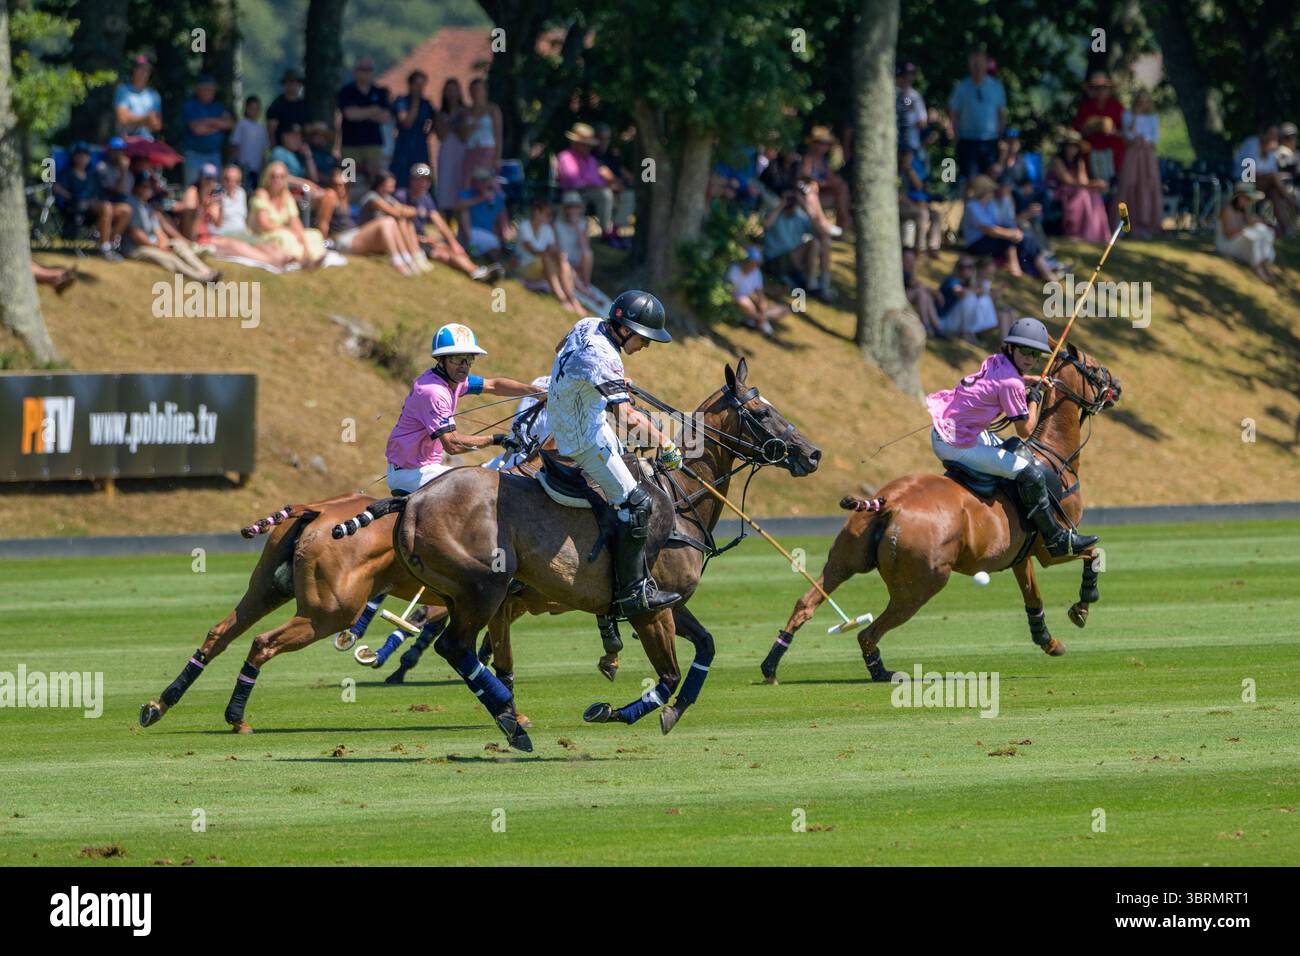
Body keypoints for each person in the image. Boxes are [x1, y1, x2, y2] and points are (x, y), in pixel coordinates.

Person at [548, 291, 683, 617]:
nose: (647, 346)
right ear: (625, 329)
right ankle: (632, 592)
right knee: (637, 503)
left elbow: (560, 350)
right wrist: (666, 442)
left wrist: (607, 380)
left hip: (573, 415)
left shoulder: (588, 323)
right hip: (583, 437)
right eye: (645, 338)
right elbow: (626, 416)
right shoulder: (606, 358)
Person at [927, 317, 1099, 556]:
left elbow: (1009, 381)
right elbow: (1026, 430)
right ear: (1011, 348)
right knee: (1031, 473)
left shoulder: (998, 362)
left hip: (948, 431)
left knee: (1013, 448)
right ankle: (1056, 539)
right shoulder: (1011, 384)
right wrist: (1034, 399)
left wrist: (1031, 381)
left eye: (1035, 355)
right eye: (1025, 352)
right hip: (957, 444)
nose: (1030, 359)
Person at [384, 323, 537, 494]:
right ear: (441, 360)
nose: (464, 365)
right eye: (457, 358)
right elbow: (453, 445)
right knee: (478, 488)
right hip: (410, 474)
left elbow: (494, 385)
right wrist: (496, 439)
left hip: (424, 468)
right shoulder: (433, 392)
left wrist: (538, 393)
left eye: (469, 358)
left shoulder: (455, 381)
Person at [397, 164, 499, 281]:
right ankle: (476, 271)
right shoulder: (401, 196)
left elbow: (439, 222)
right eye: (419, 179)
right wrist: (421, 239)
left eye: (427, 180)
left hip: (423, 240)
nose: (423, 184)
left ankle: (477, 271)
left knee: (451, 250)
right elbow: (399, 226)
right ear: (411, 180)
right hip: (408, 241)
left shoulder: (426, 198)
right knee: (443, 253)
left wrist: (454, 244)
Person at [121, 174, 220, 281]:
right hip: (136, 248)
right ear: (137, 188)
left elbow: (158, 230)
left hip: (152, 245)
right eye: (145, 186)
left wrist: (164, 243)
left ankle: (206, 271)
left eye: (150, 187)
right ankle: (200, 278)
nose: (149, 190)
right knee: (170, 258)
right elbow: (135, 232)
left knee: (179, 245)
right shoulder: (131, 204)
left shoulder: (147, 206)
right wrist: (158, 248)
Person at [962, 175, 1058, 280]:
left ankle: (1045, 270)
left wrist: (1014, 232)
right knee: (1009, 235)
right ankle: (1016, 266)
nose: (992, 193)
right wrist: (1011, 233)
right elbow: (989, 230)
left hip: (989, 239)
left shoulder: (987, 205)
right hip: (976, 244)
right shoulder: (972, 207)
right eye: (990, 190)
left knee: (1025, 238)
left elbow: (1000, 225)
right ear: (984, 191)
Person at [55, 142, 130, 259]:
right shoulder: (68, 174)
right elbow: (56, 187)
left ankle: (109, 244)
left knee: (126, 210)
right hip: (77, 206)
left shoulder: (92, 175)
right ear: (74, 157)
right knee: (106, 207)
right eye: (79, 155)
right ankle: (105, 248)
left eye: (86, 155)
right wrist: (70, 196)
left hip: (95, 206)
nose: (83, 158)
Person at [249, 161, 326, 267]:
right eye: (274, 177)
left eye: (281, 177)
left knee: (314, 234)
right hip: (263, 234)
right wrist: (288, 230)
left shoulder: (286, 196)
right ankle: (300, 259)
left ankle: (312, 257)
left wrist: (302, 238)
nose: (277, 180)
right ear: (267, 178)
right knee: (286, 237)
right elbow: (264, 224)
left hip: (281, 230)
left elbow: (295, 221)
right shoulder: (262, 194)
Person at [357, 169, 433, 273]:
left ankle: (416, 254)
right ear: (381, 184)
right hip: (366, 235)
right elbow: (396, 213)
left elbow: (409, 210)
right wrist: (405, 211)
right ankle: (406, 257)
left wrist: (406, 211)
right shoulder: (372, 197)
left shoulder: (387, 198)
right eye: (390, 182)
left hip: (382, 235)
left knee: (408, 222)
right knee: (399, 220)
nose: (394, 184)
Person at [556, 122, 621, 243]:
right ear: (575, 143)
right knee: (574, 198)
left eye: (588, 145)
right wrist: (592, 182)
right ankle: (573, 235)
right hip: (571, 192)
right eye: (584, 144)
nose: (588, 147)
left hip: (590, 192)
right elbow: (572, 180)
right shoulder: (565, 157)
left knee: (606, 194)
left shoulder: (591, 159)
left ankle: (606, 232)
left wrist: (610, 183)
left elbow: (597, 180)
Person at [517, 198, 583, 314]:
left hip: (540, 267)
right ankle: (562, 297)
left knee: (563, 262)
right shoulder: (525, 226)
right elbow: (533, 251)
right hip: (525, 267)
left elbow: (553, 248)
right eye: (547, 214)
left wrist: (560, 255)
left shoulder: (546, 229)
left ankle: (572, 299)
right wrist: (553, 254)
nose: (549, 218)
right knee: (548, 259)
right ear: (537, 212)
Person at [763, 187, 831, 298]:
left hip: (793, 260)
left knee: (823, 242)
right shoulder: (774, 214)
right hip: (774, 261)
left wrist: (807, 208)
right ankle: (811, 284)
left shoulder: (800, 217)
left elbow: (823, 234)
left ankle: (824, 283)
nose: (792, 203)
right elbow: (766, 225)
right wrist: (781, 205)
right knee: (814, 243)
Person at [949, 48, 1006, 180]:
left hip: (990, 140)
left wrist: (1001, 137)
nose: (977, 67)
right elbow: (954, 114)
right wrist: (955, 135)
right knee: (971, 179)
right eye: (974, 64)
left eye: (980, 63)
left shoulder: (996, 87)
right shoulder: (962, 87)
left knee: (991, 179)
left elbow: (1001, 114)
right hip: (968, 140)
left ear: (986, 64)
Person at [337, 57, 391, 190]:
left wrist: (360, 112)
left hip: (373, 144)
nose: (366, 73)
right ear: (355, 72)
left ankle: (373, 205)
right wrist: (373, 110)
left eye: (369, 70)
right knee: (348, 178)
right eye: (362, 69)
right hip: (350, 144)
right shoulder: (346, 91)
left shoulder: (380, 92)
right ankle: (347, 207)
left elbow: (384, 117)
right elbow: (349, 115)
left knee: (375, 178)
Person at [1049, 130, 1110, 242]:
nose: (1072, 149)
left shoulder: (1079, 161)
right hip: (1059, 190)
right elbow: (1067, 180)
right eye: (1070, 146)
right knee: (1081, 194)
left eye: (1075, 147)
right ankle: (1074, 231)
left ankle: (1095, 233)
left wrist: (1095, 184)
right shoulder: (1057, 160)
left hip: (1076, 189)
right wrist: (1090, 185)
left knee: (1094, 194)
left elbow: (1083, 181)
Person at [1117, 90, 1162, 239]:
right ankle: (1124, 224)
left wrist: (1145, 140)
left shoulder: (1153, 117)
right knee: (1128, 186)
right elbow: (1128, 134)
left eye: (1145, 101)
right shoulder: (1128, 115)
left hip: (1147, 157)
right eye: (1140, 101)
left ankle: (1145, 225)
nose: (1143, 104)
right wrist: (1135, 117)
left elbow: (1155, 139)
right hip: (1133, 155)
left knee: (1147, 188)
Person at [1216, 183, 1278, 284]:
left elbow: (1249, 223)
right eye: (1246, 198)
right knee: (1256, 238)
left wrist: (1256, 222)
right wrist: (1247, 226)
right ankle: (1258, 269)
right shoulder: (1227, 211)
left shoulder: (1242, 211)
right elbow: (1228, 234)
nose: (1248, 202)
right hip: (1226, 243)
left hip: (1235, 240)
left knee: (1263, 230)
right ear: (1239, 197)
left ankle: (1264, 264)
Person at [1072, 71, 1125, 183]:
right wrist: (1088, 127)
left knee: (1115, 185)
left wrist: (1113, 131)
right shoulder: (1086, 108)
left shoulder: (1117, 106)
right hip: (1093, 153)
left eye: (1103, 88)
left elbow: (1127, 131)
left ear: (1109, 89)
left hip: (1114, 153)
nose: (1100, 91)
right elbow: (1077, 131)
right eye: (1096, 88)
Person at [181, 75, 234, 186]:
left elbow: (229, 124)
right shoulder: (191, 106)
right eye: (206, 89)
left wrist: (207, 122)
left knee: (215, 190)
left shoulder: (218, 106)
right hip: (194, 155)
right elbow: (197, 130)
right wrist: (217, 124)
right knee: (192, 188)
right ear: (198, 90)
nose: (209, 92)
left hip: (214, 154)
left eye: (212, 89)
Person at [799, 126, 851, 232]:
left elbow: (830, 178)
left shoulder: (823, 161)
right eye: (821, 143)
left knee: (842, 187)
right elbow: (805, 176)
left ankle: (843, 223)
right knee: (813, 187)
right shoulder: (808, 158)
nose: (824, 146)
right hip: (806, 191)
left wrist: (835, 182)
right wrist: (821, 183)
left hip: (821, 190)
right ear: (814, 143)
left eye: (826, 144)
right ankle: (824, 223)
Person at [456, 166, 513, 261]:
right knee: (464, 211)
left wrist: (505, 238)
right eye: (478, 180)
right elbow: (458, 207)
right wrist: (481, 198)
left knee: (493, 246)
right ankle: (473, 249)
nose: (481, 183)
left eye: (484, 180)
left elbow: (503, 221)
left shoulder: (498, 198)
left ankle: (496, 261)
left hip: (488, 235)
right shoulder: (466, 195)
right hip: (469, 234)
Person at [727, 246, 786, 336]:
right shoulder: (734, 270)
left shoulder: (756, 272)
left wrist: (762, 307)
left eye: (756, 264)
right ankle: (758, 320)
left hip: (747, 299)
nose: (753, 267)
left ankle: (758, 319)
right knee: (747, 304)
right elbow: (732, 292)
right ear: (745, 261)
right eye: (752, 263)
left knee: (779, 308)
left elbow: (760, 293)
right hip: (735, 299)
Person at [391, 70, 435, 190]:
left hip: (420, 147)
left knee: (422, 176)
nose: (420, 88)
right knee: (402, 180)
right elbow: (406, 122)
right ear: (410, 85)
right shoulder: (401, 101)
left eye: (422, 85)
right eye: (417, 85)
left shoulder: (426, 104)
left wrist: (425, 134)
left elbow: (434, 123)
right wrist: (415, 103)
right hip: (404, 148)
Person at [434, 78, 469, 213]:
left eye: (454, 90)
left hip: (462, 152)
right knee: (446, 185)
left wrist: (456, 122)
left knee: (461, 183)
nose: (452, 94)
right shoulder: (440, 114)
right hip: (447, 152)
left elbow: (464, 135)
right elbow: (440, 135)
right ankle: (448, 218)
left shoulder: (466, 111)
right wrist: (453, 121)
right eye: (449, 90)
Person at [462, 77, 502, 186]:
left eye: (479, 89)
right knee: (468, 182)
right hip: (471, 150)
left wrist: (497, 157)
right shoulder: (466, 111)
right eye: (473, 90)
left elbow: (498, 134)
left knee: (485, 183)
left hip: (487, 150)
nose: (476, 93)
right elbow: (463, 136)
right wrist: (471, 128)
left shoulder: (492, 109)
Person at [113, 54, 162, 141]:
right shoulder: (123, 90)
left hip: (146, 141)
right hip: (125, 141)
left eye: (146, 70)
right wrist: (146, 119)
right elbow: (122, 119)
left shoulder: (154, 95)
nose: (143, 73)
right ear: (134, 70)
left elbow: (157, 125)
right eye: (140, 69)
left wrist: (132, 118)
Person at [230, 95, 269, 185]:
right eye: (251, 108)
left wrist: (264, 166)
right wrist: (234, 163)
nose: (254, 111)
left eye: (256, 108)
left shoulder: (262, 128)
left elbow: (264, 150)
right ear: (246, 108)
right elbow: (235, 145)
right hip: (243, 165)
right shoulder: (241, 124)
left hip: (257, 168)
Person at [266, 69, 309, 148]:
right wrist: (274, 148)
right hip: (282, 148)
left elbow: (306, 128)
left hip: (301, 148)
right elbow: (271, 131)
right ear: (284, 84)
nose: (293, 86)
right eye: (290, 83)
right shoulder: (276, 106)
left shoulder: (304, 105)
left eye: (297, 83)